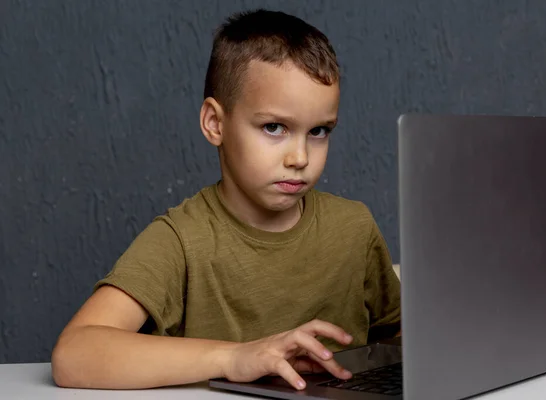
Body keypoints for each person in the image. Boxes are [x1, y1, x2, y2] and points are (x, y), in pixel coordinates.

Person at [51, 8, 400, 391]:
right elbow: (73, 355)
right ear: (215, 123)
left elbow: (401, 342)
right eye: (274, 127)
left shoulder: (354, 228)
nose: (300, 158)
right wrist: (233, 357)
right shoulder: (182, 239)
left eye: (318, 131)